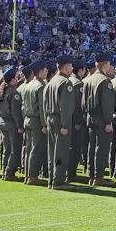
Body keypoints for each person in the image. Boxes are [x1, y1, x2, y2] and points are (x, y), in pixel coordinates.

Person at [82, 53, 116, 187]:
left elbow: (83, 103)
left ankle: (92, 175)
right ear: (105, 65)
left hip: (90, 117)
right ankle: (98, 176)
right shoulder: (105, 81)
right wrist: (108, 122)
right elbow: (107, 104)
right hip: (102, 119)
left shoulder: (88, 79)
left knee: (92, 147)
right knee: (101, 148)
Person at [43, 56, 75, 190]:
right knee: (61, 152)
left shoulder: (51, 82)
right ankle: (59, 180)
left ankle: (52, 179)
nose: (72, 68)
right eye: (71, 66)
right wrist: (65, 125)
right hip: (60, 120)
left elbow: (44, 104)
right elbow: (65, 107)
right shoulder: (65, 83)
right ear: (66, 67)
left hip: (50, 119)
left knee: (52, 151)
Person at [22, 61, 47, 186]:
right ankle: (33, 176)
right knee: (36, 149)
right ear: (41, 71)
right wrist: (44, 124)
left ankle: (28, 175)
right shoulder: (40, 86)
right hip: (37, 121)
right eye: (45, 69)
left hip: (27, 119)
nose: (47, 72)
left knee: (29, 149)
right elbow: (42, 108)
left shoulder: (29, 84)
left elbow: (23, 106)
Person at [0, 67, 24, 181]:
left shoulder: (0, 91)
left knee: (7, 149)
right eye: (16, 77)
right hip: (12, 124)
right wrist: (19, 126)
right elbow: (16, 112)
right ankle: (9, 173)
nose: (17, 79)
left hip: (2, 122)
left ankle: (5, 171)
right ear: (13, 79)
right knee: (14, 149)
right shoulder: (13, 92)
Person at [67, 59, 87, 181]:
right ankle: (71, 173)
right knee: (75, 148)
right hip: (75, 122)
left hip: (67, 120)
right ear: (80, 70)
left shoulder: (69, 81)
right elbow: (78, 106)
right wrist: (78, 122)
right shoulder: (78, 84)